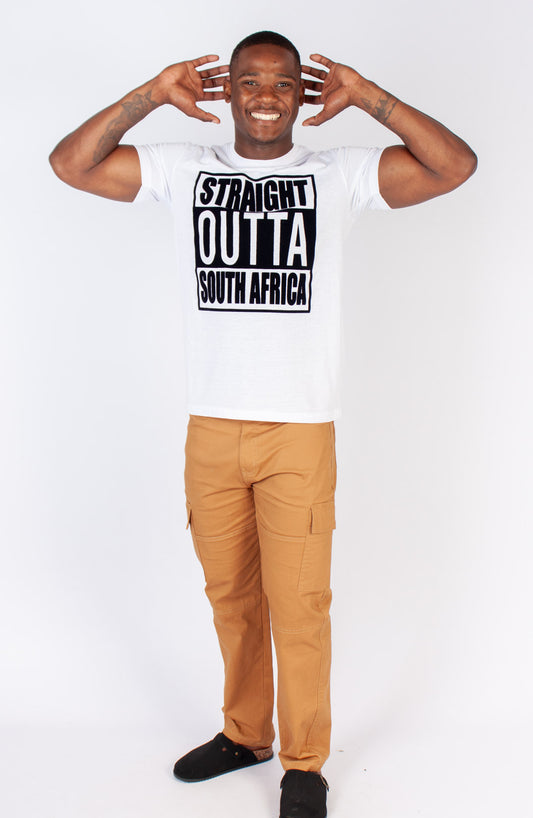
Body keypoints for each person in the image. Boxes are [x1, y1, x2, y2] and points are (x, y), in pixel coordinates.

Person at [49, 30, 476, 818]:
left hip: (298, 431)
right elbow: (70, 165)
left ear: (303, 94)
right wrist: (151, 93)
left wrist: (368, 96)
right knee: (232, 597)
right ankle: (246, 733)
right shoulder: (186, 169)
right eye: (250, 81)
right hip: (211, 426)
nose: (267, 96)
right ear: (229, 93)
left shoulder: (336, 175)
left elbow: (454, 166)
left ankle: (304, 763)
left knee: (300, 604)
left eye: (283, 82)